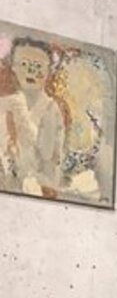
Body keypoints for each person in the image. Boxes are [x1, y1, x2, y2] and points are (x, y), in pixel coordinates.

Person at [0, 37, 65, 198]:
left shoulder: (50, 110)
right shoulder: (6, 103)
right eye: (24, 64)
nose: (31, 71)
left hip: (37, 192)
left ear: (48, 70)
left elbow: (47, 162)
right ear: (13, 66)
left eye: (38, 66)